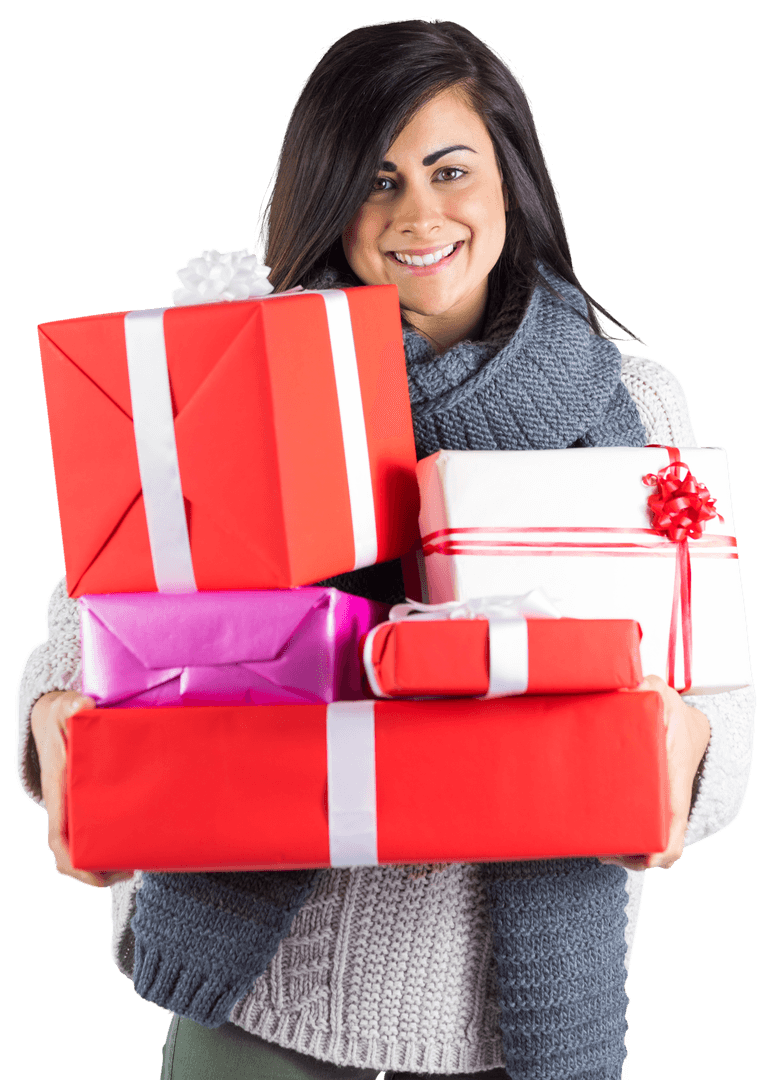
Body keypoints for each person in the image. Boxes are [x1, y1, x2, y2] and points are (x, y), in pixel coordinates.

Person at [15, 18, 755, 1080]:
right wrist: (57, 725)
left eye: (450, 170)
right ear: (332, 200)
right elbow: (91, 615)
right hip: (262, 1013)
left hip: (525, 1034)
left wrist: (684, 756)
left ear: (511, 180)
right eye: (377, 180)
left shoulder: (632, 404)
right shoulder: (248, 373)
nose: (419, 215)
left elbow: (719, 702)